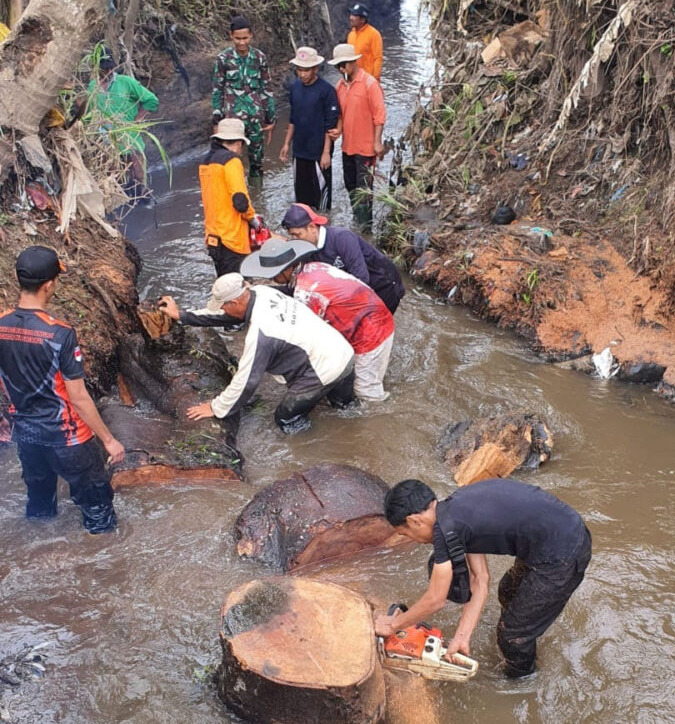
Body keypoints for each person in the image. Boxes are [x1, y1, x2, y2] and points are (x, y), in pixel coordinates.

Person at [374, 478, 592, 678]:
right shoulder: (453, 511)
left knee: (512, 636)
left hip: (563, 555)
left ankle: (522, 679)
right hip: (558, 534)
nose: (412, 539)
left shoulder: (447, 533)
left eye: (405, 534)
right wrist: (462, 636)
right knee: (507, 590)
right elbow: (480, 579)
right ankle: (525, 627)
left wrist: (393, 626)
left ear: (414, 521)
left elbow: (435, 599)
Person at [0, 246, 125, 534]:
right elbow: (78, 398)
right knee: (98, 509)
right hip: (68, 439)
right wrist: (108, 440)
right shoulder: (60, 334)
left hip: (27, 438)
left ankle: (42, 558)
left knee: (40, 507)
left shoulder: (2, 325)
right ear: (48, 285)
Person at [158, 273, 355, 435]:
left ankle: (317, 449)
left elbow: (247, 380)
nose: (223, 310)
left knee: (286, 418)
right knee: (345, 410)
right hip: (343, 352)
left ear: (235, 301)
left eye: (224, 305)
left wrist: (217, 408)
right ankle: (351, 431)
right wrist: (182, 316)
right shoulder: (261, 292)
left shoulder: (262, 334)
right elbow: (225, 316)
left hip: (323, 369)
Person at [243, 238, 394, 400]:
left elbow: (308, 338)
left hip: (371, 334)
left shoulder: (305, 293)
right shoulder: (314, 266)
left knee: (366, 391)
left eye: (274, 275)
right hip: (375, 314)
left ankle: (378, 419)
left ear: (287, 270)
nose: (272, 280)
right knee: (356, 375)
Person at [281, 202, 405, 313]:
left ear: (312, 227)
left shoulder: (342, 238)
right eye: (292, 236)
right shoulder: (307, 252)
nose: (295, 240)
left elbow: (361, 279)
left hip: (384, 284)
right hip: (355, 287)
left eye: (297, 235)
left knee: (375, 328)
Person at [328, 43, 386, 233]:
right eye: (338, 66)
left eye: (343, 65)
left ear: (353, 62)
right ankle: (357, 220)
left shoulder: (370, 84)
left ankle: (366, 227)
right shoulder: (340, 86)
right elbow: (342, 115)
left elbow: (379, 116)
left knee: (365, 190)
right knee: (351, 186)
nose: (341, 69)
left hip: (366, 148)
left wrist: (377, 142)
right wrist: (338, 130)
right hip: (347, 148)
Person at [86, 46, 159, 193]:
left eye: (109, 68)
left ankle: (143, 198)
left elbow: (151, 100)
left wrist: (137, 120)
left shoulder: (126, 82)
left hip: (130, 139)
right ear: (96, 69)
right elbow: (89, 114)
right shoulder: (92, 87)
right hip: (106, 145)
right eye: (103, 69)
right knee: (114, 181)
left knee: (138, 177)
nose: (107, 72)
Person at [211, 15, 276, 178]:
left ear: (251, 36)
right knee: (232, 159)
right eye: (238, 38)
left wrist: (270, 118)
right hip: (232, 120)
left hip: (256, 118)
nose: (242, 42)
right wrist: (216, 119)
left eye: (245, 38)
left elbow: (266, 88)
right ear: (231, 36)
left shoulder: (259, 58)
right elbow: (217, 89)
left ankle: (257, 196)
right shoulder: (223, 59)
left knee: (257, 161)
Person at [199, 117, 264, 277]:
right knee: (240, 289)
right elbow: (240, 201)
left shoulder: (206, 162)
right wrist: (252, 219)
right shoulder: (231, 161)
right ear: (238, 143)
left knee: (225, 285)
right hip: (231, 239)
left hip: (213, 238)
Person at [279, 46, 339, 211]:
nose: (302, 74)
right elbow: (293, 119)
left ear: (315, 69)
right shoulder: (295, 88)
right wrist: (286, 144)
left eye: (306, 70)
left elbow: (330, 125)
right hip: (299, 150)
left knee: (322, 202)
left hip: (318, 152)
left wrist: (326, 152)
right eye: (299, 70)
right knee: (302, 201)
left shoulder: (327, 91)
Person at [346, 3, 383, 81]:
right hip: (354, 79)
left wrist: (374, 80)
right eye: (351, 15)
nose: (351, 18)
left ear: (363, 20)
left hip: (368, 80)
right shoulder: (351, 35)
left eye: (355, 16)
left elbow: (378, 59)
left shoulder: (373, 34)